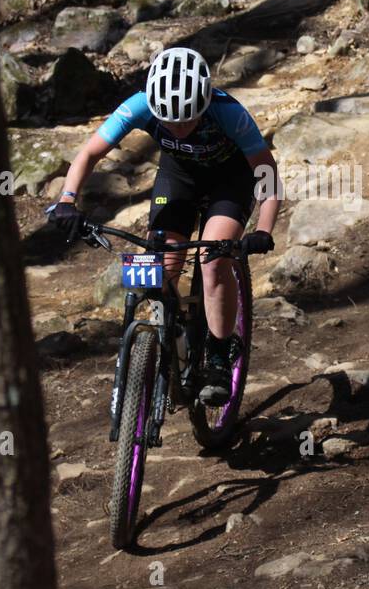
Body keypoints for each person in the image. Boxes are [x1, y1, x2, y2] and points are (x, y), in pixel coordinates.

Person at [47, 46, 279, 404]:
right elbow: (90, 153)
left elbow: (266, 170)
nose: (179, 128)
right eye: (170, 121)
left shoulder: (228, 112)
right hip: (179, 178)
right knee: (158, 267)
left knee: (213, 260)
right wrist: (66, 200)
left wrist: (264, 227)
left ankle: (218, 352)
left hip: (229, 181)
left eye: (188, 119)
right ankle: (174, 334)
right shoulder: (139, 105)